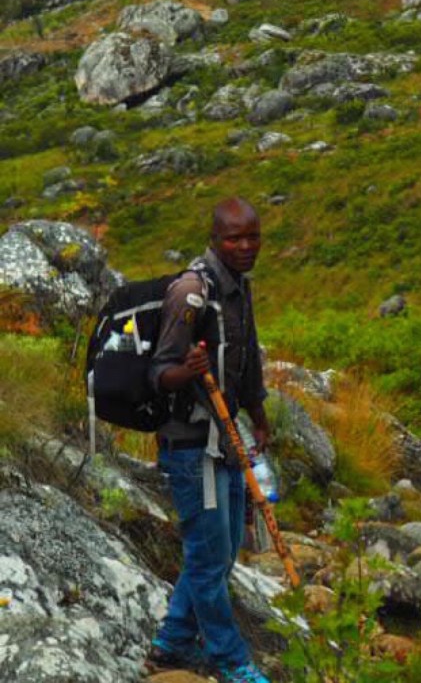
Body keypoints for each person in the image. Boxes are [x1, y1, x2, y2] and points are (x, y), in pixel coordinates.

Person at [145, 197, 272, 683]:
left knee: (221, 551)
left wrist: (258, 417)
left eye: (252, 236)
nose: (244, 246)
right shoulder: (191, 293)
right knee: (206, 554)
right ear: (215, 238)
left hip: (228, 435)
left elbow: (249, 363)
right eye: (233, 238)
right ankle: (231, 660)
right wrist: (186, 370)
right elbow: (159, 374)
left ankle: (170, 644)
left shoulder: (239, 287)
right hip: (189, 444)